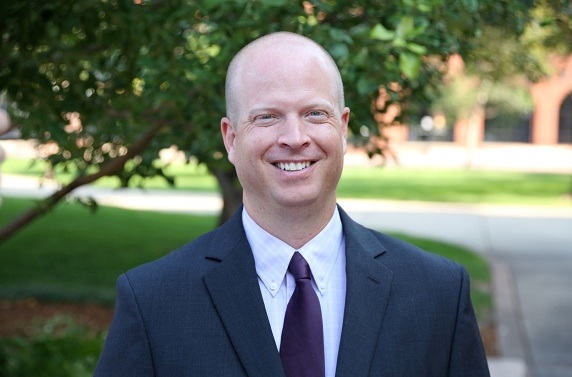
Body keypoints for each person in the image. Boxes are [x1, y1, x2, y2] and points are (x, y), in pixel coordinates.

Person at [94, 32, 490, 377]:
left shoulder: (437, 294)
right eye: (267, 117)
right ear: (231, 139)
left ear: (344, 128)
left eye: (315, 113)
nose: (295, 137)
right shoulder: (154, 301)